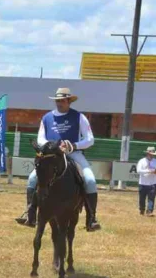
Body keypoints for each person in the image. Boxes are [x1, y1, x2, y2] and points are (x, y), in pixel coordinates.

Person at [15, 87, 101, 231]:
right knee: (32, 179)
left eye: (62, 101)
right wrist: (52, 146)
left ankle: (91, 218)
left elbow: (90, 139)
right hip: (51, 155)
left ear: (69, 101)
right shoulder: (47, 118)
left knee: (90, 180)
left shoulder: (79, 117)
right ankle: (30, 214)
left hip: (73, 153)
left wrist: (73, 145)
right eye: (57, 101)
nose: (59, 103)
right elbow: (40, 138)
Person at [137, 146, 156, 217]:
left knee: (151, 198)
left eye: (153, 154)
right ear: (147, 154)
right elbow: (139, 171)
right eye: (150, 154)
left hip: (153, 184)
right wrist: (149, 171)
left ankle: (149, 211)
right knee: (142, 199)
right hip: (143, 183)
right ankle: (142, 210)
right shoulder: (141, 161)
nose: (151, 155)